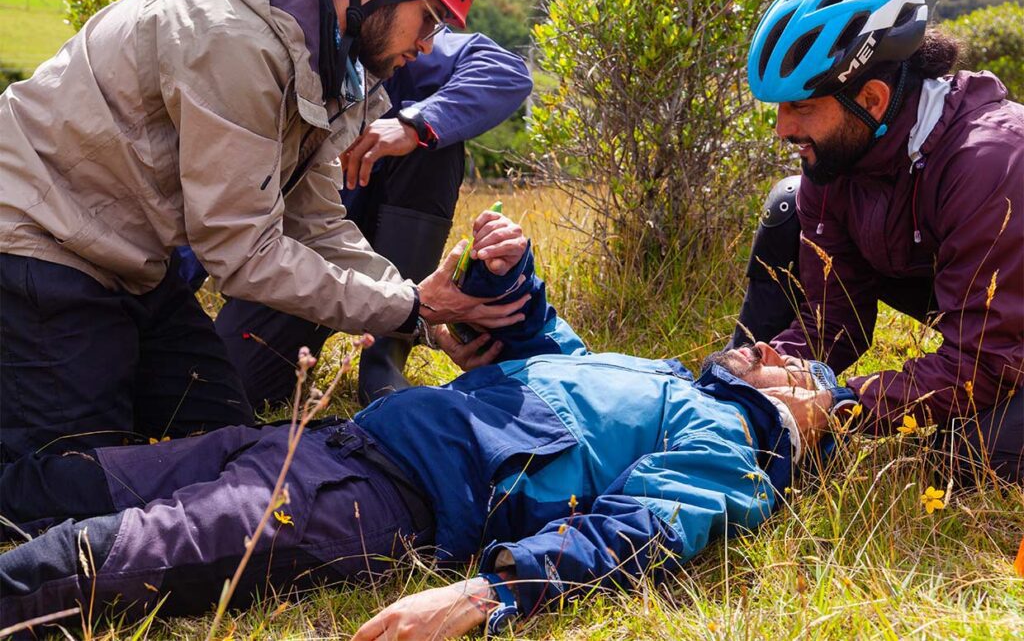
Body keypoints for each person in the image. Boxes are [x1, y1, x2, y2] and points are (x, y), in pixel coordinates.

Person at [0, 227, 855, 638]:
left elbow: (633, 534)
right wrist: (508, 267)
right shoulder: (660, 377)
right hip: (325, 439)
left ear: (808, 427)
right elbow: (544, 346)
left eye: (798, 375)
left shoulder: (730, 450)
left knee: (119, 550)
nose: (773, 358)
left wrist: (487, 594)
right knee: (63, 483)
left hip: (374, 499)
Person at [0, 0, 532, 463]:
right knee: (75, 470)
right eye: (429, 18)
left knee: (223, 438)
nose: (425, 44)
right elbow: (243, 253)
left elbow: (318, 223)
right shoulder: (234, 40)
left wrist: (418, 311)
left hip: (130, 267)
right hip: (38, 244)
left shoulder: (328, 54)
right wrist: (410, 308)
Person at [166, 0, 534, 408]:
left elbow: (505, 70)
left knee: (435, 147)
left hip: (351, 246)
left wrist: (416, 125)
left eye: (433, 24)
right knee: (214, 398)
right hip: (293, 260)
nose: (425, 44)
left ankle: (384, 362)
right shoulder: (252, 51)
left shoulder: (394, 35)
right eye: (428, 20)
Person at [735, 0, 1024, 483]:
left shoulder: (991, 161)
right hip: (979, 308)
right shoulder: (836, 158)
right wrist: (768, 367)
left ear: (871, 100)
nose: (782, 129)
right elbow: (837, 319)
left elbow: (985, 360)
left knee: (969, 455)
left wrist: (840, 404)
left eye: (801, 107)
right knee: (787, 205)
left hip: (1006, 335)